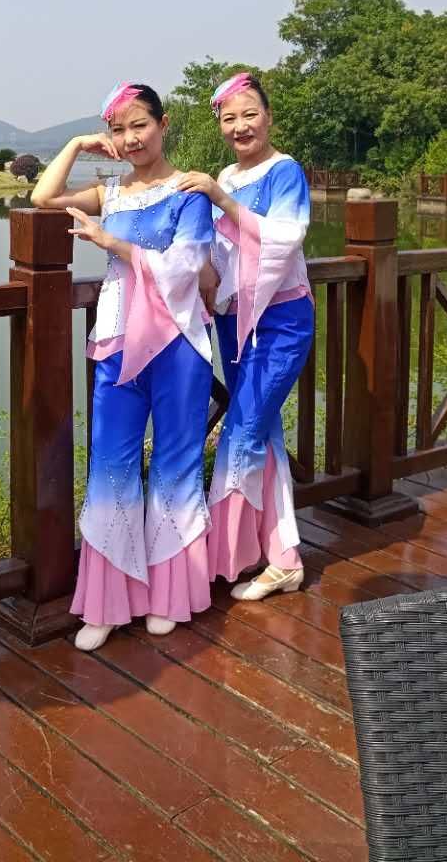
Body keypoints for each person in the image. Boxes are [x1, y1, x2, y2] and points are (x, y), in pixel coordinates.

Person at [31, 82, 215, 650]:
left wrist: (110, 243)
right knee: (111, 466)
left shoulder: (189, 191)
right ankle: (108, 602)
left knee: (175, 465)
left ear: (163, 124)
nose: (131, 138)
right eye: (119, 129)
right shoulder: (109, 192)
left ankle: (170, 596)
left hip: (178, 343)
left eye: (141, 125)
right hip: (115, 340)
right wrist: (77, 144)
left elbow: (187, 267)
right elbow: (43, 196)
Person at [178, 72, 314, 601]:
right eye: (229, 118)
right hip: (235, 321)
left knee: (241, 432)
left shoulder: (285, 172)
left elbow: (284, 239)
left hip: (278, 322)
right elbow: (218, 250)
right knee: (264, 436)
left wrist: (221, 198)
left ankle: (221, 557)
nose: (240, 126)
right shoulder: (228, 175)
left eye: (250, 114)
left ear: (269, 117)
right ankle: (280, 555)